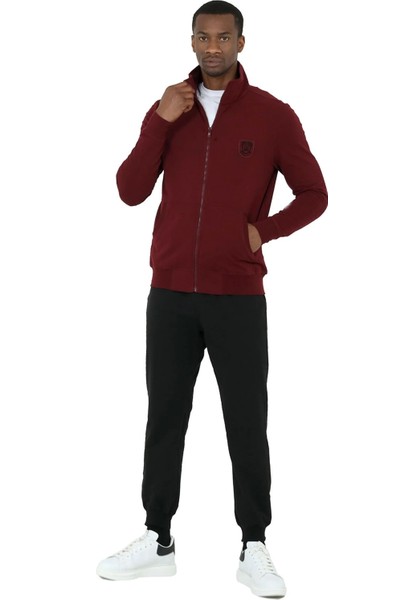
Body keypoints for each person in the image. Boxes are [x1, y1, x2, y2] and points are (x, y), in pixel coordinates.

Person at [96, 1, 327, 597]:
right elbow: (128, 191)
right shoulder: (170, 109)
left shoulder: (273, 115)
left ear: (241, 43)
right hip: (170, 291)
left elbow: (314, 193)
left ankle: (254, 544)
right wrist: (159, 120)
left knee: (246, 420)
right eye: (203, 37)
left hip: (237, 295)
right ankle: (157, 539)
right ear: (192, 41)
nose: (213, 47)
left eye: (224, 38)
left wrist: (263, 232)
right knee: (164, 417)